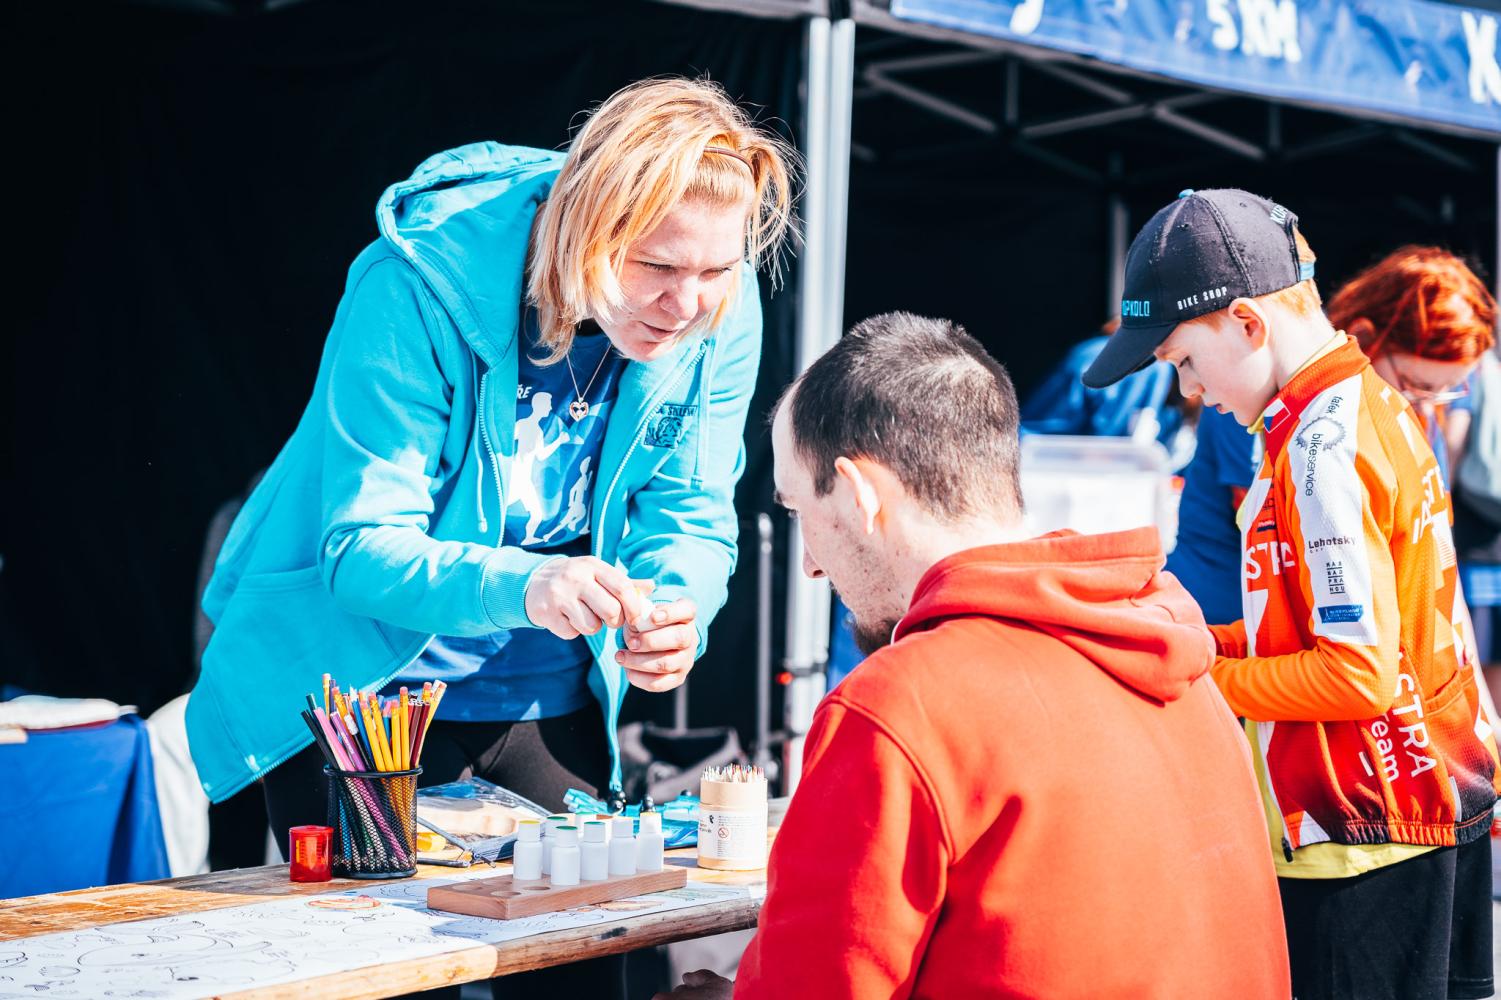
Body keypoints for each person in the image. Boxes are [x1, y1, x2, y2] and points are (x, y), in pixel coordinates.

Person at [185, 78, 794, 998]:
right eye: (656, 267)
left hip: (545, 692)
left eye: (715, 272)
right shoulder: (416, 282)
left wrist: (677, 609)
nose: (687, 304)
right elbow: (361, 548)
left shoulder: (719, 305)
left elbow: (692, 511)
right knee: (391, 978)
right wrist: (527, 586)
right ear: (584, 227)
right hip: (364, 702)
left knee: (580, 974)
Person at [659, 312, 1289, 999]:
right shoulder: (1179, 665)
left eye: (799, 510)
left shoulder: (899, 706)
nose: (810, 563)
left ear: (861, 494)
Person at [1083, 189, 1500, 1000]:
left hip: (1363, 837)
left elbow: (1354, 675)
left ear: (1246, 322)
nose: (1190, 390)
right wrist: (1199, 644)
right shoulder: (1354, 409)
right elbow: (1324, 635)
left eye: (1183, 360)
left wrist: (1196, 678)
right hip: (1411, 813)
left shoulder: (1321, 443)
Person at [1165, 245, 1497, 628]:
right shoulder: (1251, 393)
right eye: (1414, 385)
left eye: (1443, 394)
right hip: (1225, 621)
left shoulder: (1411, 414)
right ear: (1365, 337)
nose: (1422, 407)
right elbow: (1281, 545)